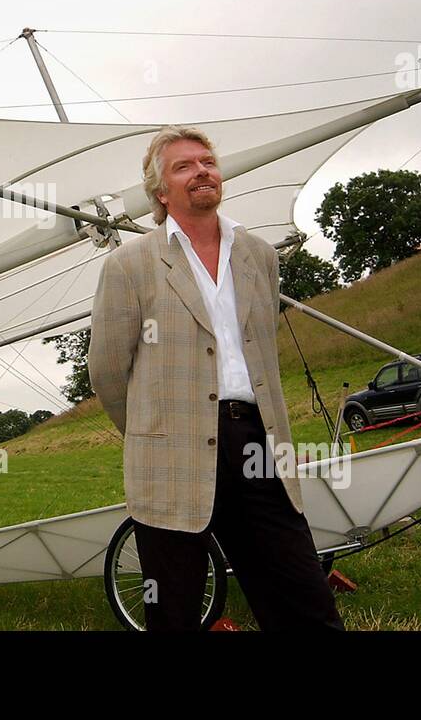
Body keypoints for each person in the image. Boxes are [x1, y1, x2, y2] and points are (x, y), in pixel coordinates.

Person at [88, 126, 344, 632]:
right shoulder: (129, 265)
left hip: (256, 441)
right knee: (176, 609)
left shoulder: (259, 256)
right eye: (183, 166)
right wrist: (153, 431)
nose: (202, 170)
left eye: (207, 161)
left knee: (301, 595)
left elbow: (259, 346)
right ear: (161, 192)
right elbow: (108, 372)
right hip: (172, 450)